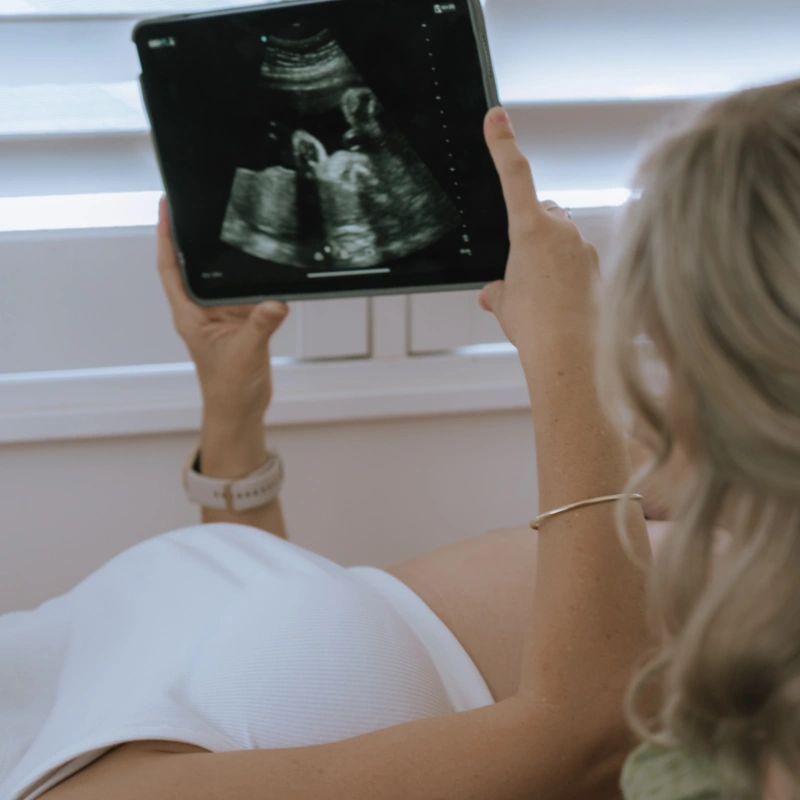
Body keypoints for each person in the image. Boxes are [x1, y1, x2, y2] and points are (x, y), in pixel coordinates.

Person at [2, 76, 797, 800]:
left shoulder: (36, 674)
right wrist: (569, 355)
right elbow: (577, 735)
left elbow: (254, 632)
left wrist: (231, 413)